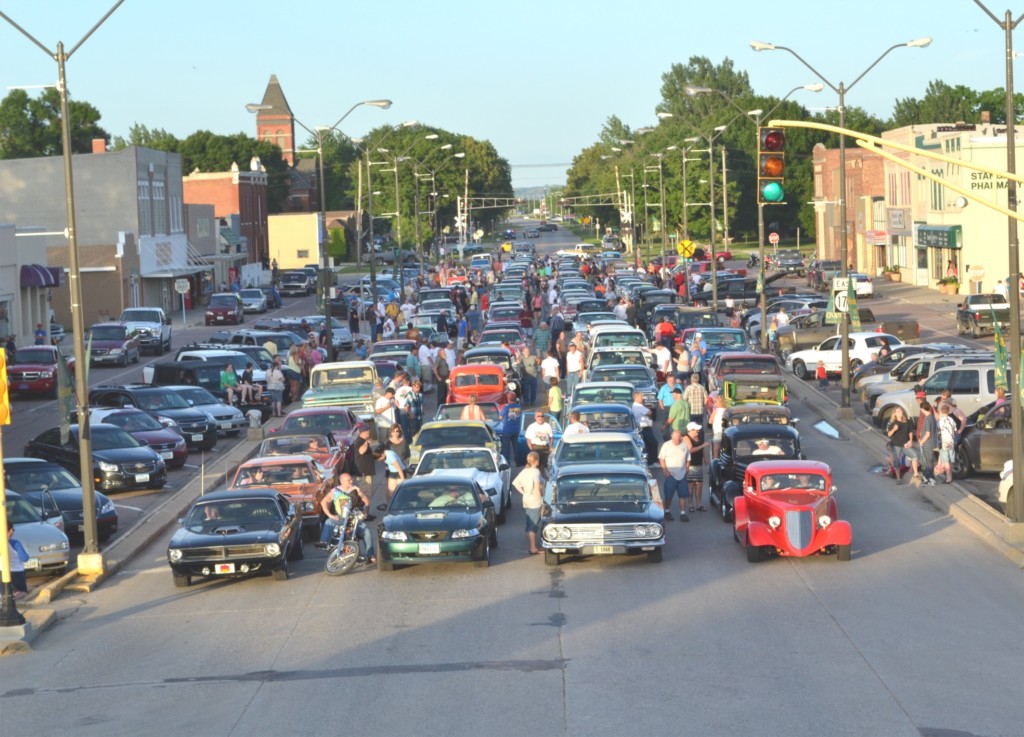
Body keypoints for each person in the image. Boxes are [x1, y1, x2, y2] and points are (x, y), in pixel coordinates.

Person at [316, 473, 374, 562]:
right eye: (349, 480)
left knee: (366, 530)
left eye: (351, 479)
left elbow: (366, 502)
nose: (351, 481)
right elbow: (324, 502)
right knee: (329, 521)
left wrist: (364, 513)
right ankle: (324, 542)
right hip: (341, 518)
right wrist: (330, 515)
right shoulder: (335, 491)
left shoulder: (356, 490)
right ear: (342, 481)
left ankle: (370, 555)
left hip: (354, 519)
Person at [512, 451, 544, 555]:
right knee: (533, 525)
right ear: (537, 461)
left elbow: (515, 483)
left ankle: (532, 545)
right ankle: (533, 548)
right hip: (535, 500)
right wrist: (541, 495)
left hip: (526, 500)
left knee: (529, 523)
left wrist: (524, 492)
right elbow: (537, 486)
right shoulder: (535, 472)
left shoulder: (525, 471)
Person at [658, 429, 691, 522]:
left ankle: (683, 513)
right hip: (671, 475)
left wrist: (687, 468)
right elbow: (661, 459)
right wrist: (665, 470)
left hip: (682, 474)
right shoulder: (666, 445)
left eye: (678, 439)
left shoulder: (684, 445)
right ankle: (667, 511)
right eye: (674, 439)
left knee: (683, 495)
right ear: (671, 437)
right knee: (668, 495)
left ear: (681, 437)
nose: (676, 441)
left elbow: (688, 458)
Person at [885, 406, 919, 482]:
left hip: (905, 444)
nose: (901, 412)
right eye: (899, 411)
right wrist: (894, 429)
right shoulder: (892, 423)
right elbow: (889, 434)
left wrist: (910, 440)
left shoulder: (907, 421)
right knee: (897, 462)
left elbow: (910, 432)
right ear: (895, 414)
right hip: (896, 445)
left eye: (901, 411)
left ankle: (916, 473)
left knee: (914, 456)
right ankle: (898, 478)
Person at [684, 422, 708, 512]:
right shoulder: (686, 438)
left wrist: (705, 457)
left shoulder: (697, 437)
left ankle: (699, 504)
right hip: (690, 464)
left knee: (699, 484)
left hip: (698, 463)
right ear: (691, 430)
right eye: (696, 429)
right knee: (691, 485)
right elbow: (690, 450)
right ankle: (691, 505)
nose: (698, 431)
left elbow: (701, 447)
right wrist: (703, 445)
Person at [352, 426, 377, 503]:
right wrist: (366, 443)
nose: (369, 432)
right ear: (362, 433)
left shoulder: (362, 441)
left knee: (368, 493)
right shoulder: (359, 442)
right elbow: (361, 451)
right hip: (363, 473)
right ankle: (364, 512)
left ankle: (367, 512)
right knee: (365, 494)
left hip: (367, 472)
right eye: (367, 431)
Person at [497, 389, 522, 463]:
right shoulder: (519, 406)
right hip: (516, 429)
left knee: (506, 448)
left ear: (508, 399)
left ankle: (507, 462)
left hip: (507, 430)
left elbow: (500, 418)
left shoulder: (506, 407)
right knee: (516, 447)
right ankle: (517, 461)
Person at [935, 402, 957, 483]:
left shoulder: (939, 422)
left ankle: (948, 478)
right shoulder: (951, 420)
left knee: (946, 461)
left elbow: (937, 431)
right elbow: (955, 430)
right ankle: (951, 475)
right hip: (951, 442)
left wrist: (939, 417)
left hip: (943, 443)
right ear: (948, 411)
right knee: (950, 460)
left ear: (941, 412)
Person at [6, 526, 29, 600]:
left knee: (4, 592)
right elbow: (24, 558)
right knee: (22, 592)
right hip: (17, 571)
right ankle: (10, 602)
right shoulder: (15, 543)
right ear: (11, 530)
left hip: (2, 571)